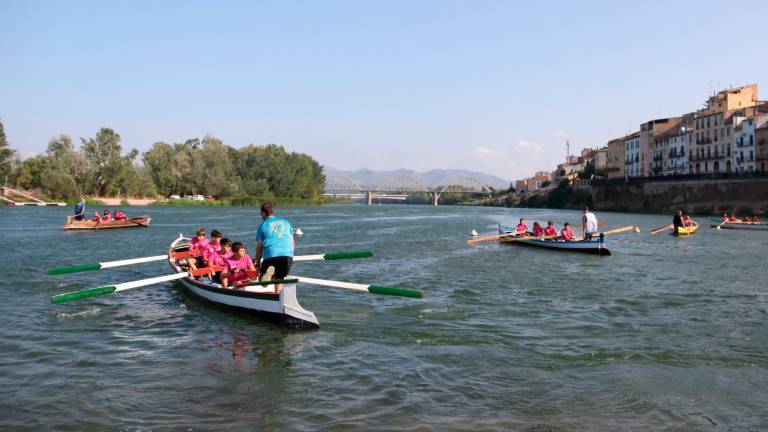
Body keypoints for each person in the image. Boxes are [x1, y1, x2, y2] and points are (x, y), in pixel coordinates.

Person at [255, 202, 294, 293]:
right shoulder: (286, 222)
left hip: (271, 254)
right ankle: (277, 293)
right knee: (280, 277)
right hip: (287, 254)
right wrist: (291, 255)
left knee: (263, 282)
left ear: (264, 213)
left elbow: (259, 246)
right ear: (273, 212)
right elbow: (292, 240)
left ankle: (267, 277)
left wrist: (257, 264)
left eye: (261, 213)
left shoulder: (263, 225)